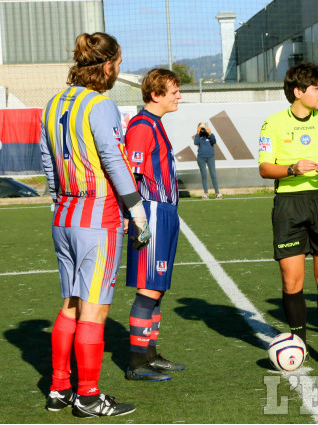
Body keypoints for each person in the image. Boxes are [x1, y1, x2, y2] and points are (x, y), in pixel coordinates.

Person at [40, 32, 151, 417]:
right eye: (118, 62)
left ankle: (59, 388)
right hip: (96, 214)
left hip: (63, 214)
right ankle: (88, 395)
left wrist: (59, 197)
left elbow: (46, 159)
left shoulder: (53, 103)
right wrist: (136, 211)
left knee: (70, 303)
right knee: (95, 308)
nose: (119, 69)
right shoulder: (101, 105)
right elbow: (113, 159)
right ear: (107, 65)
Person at [258, 62, 318, 366]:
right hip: (289, 206)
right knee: (292, 282)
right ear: (298, 91)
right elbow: (264, 168)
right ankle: (298, 342)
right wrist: (292, 169)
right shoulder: (272, 123)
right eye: (317, 88)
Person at [124, 68, 186, 381]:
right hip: (150, 213)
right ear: (156, 95)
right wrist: (133, 217)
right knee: (148, 289)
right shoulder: (141, 126)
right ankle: (136, 363)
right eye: (174, 92)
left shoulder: (154, 124)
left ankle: (150, 354)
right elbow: (130, 175)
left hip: (166, 212)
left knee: (157, 288)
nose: (179, 96)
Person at [194, 122, 222, 199]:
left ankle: (217, 193)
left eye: (204, 127)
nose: (203, 129)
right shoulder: (198, 136)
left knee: (213, 174)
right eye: (201, 127)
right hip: (201, 157)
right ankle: (206, 193)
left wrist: (209, 134)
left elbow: (214, 141)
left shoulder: (210, 135)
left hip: (210, 157)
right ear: (198, 128)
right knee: (204, 175)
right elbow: (196, 143)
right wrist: (198, 133)